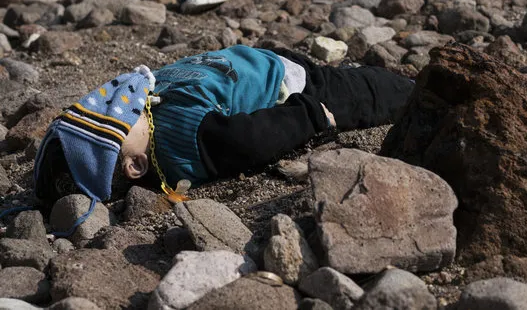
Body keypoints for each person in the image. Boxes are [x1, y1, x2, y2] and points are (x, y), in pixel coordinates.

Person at [33, 45, 414, 214]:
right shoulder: (182, 142)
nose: (109, 108)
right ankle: (417, 88)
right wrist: (311, 116)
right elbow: (248, 141)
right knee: (381, 93)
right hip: (295, 87)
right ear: (135, 165)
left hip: (263, 62)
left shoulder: (141, 100)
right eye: (109, 128)